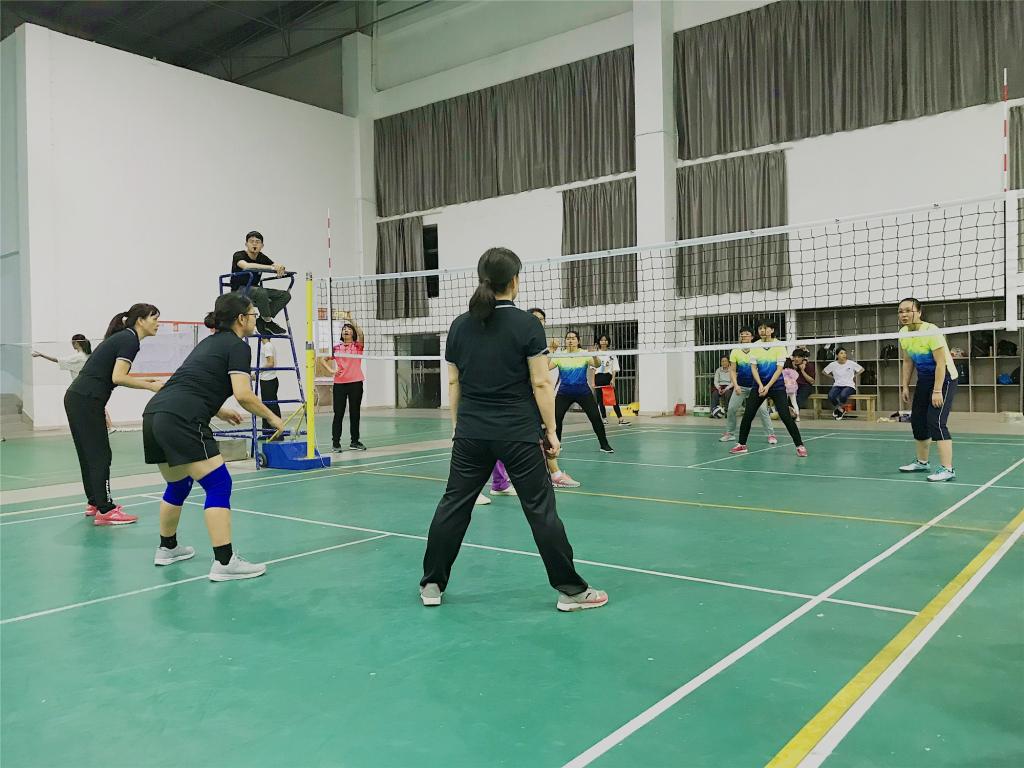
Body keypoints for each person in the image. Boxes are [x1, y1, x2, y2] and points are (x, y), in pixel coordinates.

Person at [419, 247, 607, 611]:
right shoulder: (527, 325)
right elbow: (541, 383)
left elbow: (454, 384)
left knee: (453, 506)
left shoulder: (459, 326)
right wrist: (551, 431)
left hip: (471, 433)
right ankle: (571, 590)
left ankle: (432, 584)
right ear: (515, 281)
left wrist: (459, 426)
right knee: (541, 509)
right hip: (518, 434)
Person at [142, 292, 284, 581]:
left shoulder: (208, 343)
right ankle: (225, 562)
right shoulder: (238, 346)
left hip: (155, 414)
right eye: (253, 314)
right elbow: (243, 394)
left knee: (178, 484)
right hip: (182, 419)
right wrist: (272, 417)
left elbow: (191, 383)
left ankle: (167, 548)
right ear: (241, 318)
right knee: (219, 484)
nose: (255, 319)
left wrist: (219, 411)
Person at [64, 305, 163, 524]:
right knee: (100, 455)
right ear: (140, 321)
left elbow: (112, 375)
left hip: (78, 397)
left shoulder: (123, 337)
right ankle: (106, 509)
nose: (158, 323)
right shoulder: (130, 340)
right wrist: (150, 386)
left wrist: (146, 381)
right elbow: (118, 377)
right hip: (87, 399)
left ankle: (95, 502)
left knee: (89, 454)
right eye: (154, 318)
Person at [896, 297, 958, 482]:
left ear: (919, 312)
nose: (904, 314)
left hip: (945, 378)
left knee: (936, 421)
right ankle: (922, 462)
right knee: (918, 420)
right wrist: (905, 385)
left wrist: (937, 391)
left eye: (908, 310)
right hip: (924, 379)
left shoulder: (931, 331)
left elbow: (940, 363)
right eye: (900, 311)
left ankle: (948, 469)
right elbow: (907, 361)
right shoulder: (903, 333)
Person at [730, 319, 808, 457]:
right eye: (760, 328)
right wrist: (760, 385)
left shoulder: (779, 345)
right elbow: (753, 368)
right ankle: (741, 444)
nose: (762, 330)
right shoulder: (755, 346)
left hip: (776, 386)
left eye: (765, 328)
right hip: (759, 386)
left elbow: (779, 369)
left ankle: (799, 445)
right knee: (748, 414)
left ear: (772, 330)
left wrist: (767, 386)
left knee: (785, 416)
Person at [528, 308, 580, 488]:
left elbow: (543, 368)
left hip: (538, 396)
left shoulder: (541, 343)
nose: (538, 321)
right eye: (534, 318)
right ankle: (555, 474)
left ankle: (555, 474)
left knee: (542, 434)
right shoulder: (524, 341)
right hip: (524, 397)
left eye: (541, 319)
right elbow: (537, 370)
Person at [551, 331, 613, 453]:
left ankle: (604, 445)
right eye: (568, 338)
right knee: (556, 418)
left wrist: (594, 355)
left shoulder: (584, 353)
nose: (570, 340)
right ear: (565, 341)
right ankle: (557, 444)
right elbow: (546, 367)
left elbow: (597, 365)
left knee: (595, 417)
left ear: (578, 341)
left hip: (583, 392)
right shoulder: (560, 355)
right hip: (564, 392)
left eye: (573, 338)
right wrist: (551, 351)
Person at [720, 327, 776, 444]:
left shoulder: (758, 349)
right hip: (741, 386)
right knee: (731, 409)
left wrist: (762, 385)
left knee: (763, 410)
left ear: (752, 337)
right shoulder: (735, 351)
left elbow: (762, 368)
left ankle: (770, 434)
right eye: (742, 334)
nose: (744, 336)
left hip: (756, 387)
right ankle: (730, 433)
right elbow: (732, 370)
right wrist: (736, 385)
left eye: (746, 334)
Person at [229, 231, 291, 336]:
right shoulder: (239, 255)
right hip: (239, 290)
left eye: (257, 242)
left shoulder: (262, 257)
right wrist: (271, 267)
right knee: (261, 292)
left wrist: (280, 267)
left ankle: (262, 320)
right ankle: (268, 322)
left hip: (255, 290)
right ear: (246, 244)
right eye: (251, 241)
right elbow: (246, 266)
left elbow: (275, 265)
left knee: (285, 295)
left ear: (262, 245)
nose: (254, 244)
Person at [328, 319, 367, 451]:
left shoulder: (357, 346)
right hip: (339, 384)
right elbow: (322, 359)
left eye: (349, 329)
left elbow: (361, 334)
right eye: (344, 329)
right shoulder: (336, 348)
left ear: (353, 333)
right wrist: (331, 370)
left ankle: (354, 441)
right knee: (338, 414)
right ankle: (336, 443)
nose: (346, 330)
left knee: (355, 413)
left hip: (355, 383)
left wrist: (350, 319)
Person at [593, 334, 629, 425]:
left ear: (608, 342)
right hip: (598, 377)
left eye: (605, 340)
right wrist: (593, 382)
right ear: (599, 342)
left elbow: (614, 368)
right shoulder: (595, 354)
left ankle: (620, 419)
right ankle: (604, 418)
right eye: (602, 340)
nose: (603, 342)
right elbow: (593, 369)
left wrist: (613, 379)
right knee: (600, 400)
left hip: (608, 377)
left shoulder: (612, 354)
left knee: (614, 399)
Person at [823, 348, 864, 419]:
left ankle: (839, 410)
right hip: (837, 385)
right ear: (837, 355)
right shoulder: (833, 364)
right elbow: (824, 371)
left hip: (849, 386)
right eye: (841, 353)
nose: (844, 355)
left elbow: (862, 369)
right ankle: (841, 409)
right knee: (831, 396)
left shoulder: (851, 363)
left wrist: (854, 376)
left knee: (843, 395)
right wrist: (833, 377)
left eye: (845, 353)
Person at [257, 337, 282, 437]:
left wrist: (257, 371)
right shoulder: (268, 345)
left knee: (271, 406)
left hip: (268, 380)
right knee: (267, 406)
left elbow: (270, 363)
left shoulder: (267, 346)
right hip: (268, 379)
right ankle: (267, 432)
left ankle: (277, 432)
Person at [790, 347, 816, 417]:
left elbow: (812, 381)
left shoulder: (809, 366)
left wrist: (802, 370)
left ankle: (794, 413)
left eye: (799, 357)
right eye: (795, 357)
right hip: (793, 385)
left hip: (805, 386)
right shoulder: (791, 365)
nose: (796, 359)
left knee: (799, 398)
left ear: (803, 358)